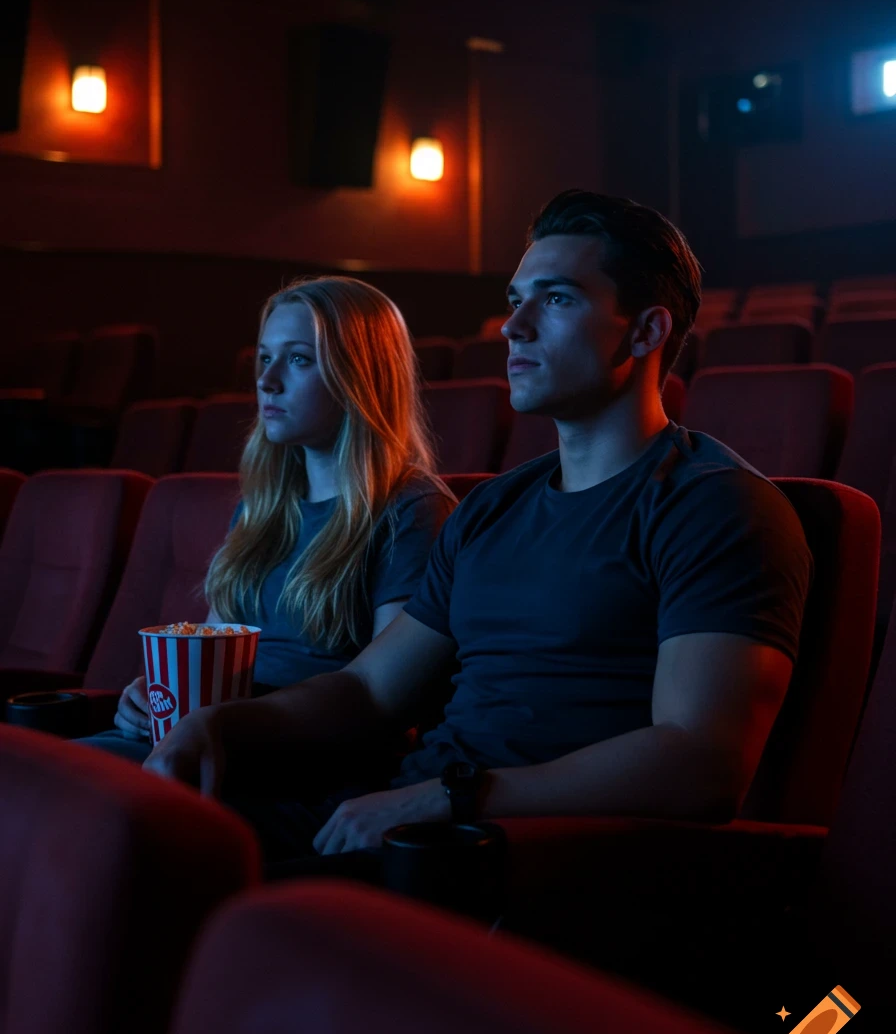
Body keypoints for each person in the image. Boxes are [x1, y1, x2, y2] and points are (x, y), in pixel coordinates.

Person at [145, 190, 813, 878]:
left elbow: (700, 761)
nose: (512, 326)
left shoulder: (717, 506)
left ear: (644, 332)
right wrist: (216, 726)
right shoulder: (492, 508)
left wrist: (450, 799)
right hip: (418, 816)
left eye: (555, 300)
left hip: (527, 853)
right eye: (516, 299)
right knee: (135, 832)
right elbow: (370, 692)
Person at [81, 275, 457, 768]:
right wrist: (153, 696)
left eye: (298, 359)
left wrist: (222, 725)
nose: (267, 379)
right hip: (206, 738)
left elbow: (390, 703)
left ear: (359, 376)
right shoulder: (264, 508)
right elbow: (211, 654)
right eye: (264, 357)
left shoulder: (412, 509)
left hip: (293, 758)